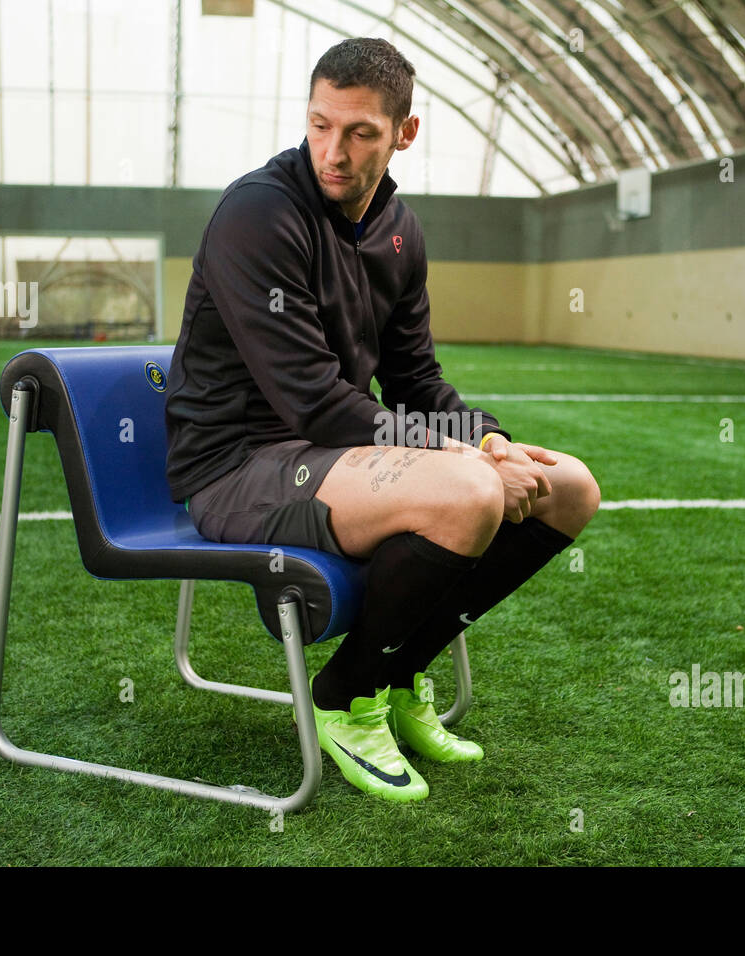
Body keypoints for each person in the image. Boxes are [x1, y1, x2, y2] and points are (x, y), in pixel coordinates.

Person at [165, 37, 600, 803]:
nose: (334, 150)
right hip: (238, 465)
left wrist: (489, 438)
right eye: (319, 124)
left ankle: (399, 673)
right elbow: (316, 404)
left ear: (405, 132)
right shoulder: (258, 215)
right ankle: (345, 694)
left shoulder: (399, 231)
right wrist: (473, 466)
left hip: (325, 452)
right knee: (467, 493)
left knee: (572, 488)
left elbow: (416, 379)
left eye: (360, 131)